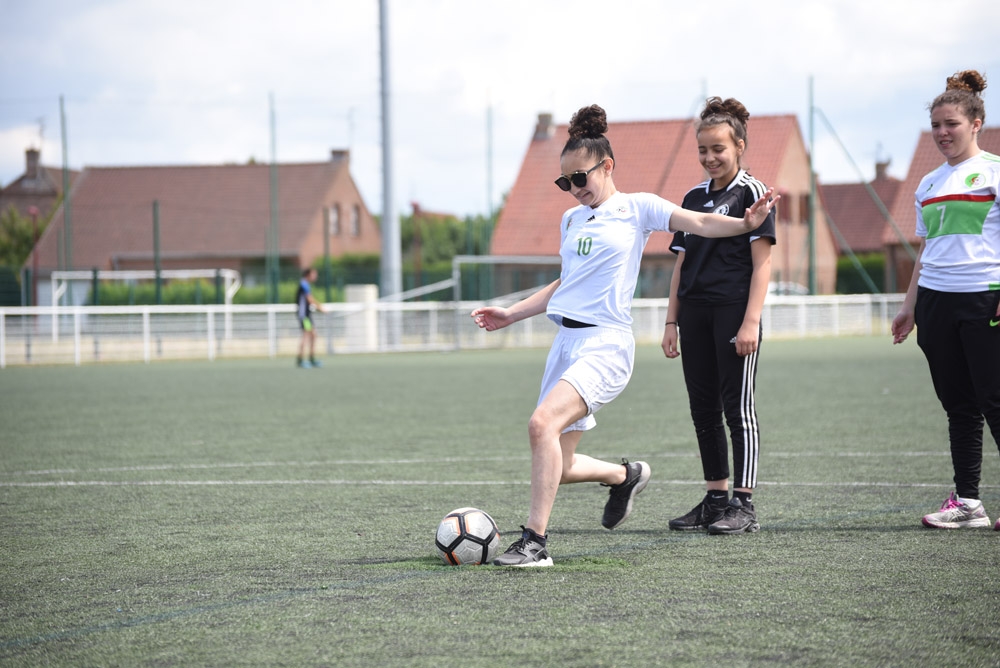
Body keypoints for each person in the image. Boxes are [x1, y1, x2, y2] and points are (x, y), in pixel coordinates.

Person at [472, 104, 779, 566]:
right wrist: (511, 314)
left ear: (607, 166)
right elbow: (567, 282)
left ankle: (535, 543)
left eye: (580, 178)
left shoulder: (638, 208)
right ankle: (624, 476)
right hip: (565, 345)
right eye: (565, 182)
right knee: (560, 461)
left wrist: (745, 225)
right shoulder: (571, 220)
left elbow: (699, 223)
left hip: (606, 345)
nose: (574, 189)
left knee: (540, 425)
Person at [661, 97, 776, 535]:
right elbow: (681, 263)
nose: (710, 158)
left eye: (718, 149)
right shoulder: (693, 197)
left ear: (739, 146)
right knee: (702, 409)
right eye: (703, 150)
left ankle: (743, 505)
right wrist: (671, 322)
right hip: (694, 315)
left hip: (733, 314)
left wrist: (751, 322)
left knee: (737, 408)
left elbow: (763, 265)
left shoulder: (753, 193)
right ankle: (715, 499)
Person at [891, 70, 1000, 531]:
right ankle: (968, 503)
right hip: (936, 304)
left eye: (951, 123)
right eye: (936, 125)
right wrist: (909, 306)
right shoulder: (928, 184)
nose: (942, 133)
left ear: (976, 122)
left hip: (985, 300)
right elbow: (926, 249)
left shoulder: (994, 171)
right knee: (959, 406)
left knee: (995, 399)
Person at [296, 267, 326, 368]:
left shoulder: (306, 284)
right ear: (308, 275)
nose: (315, 276)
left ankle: (311, 358)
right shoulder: (304, 284)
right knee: (306, 335)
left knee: (313, 335)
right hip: (304, 316)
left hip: (307, 315)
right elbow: (310, 299)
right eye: (314, 274)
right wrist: (321, 308)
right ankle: (300, 360)